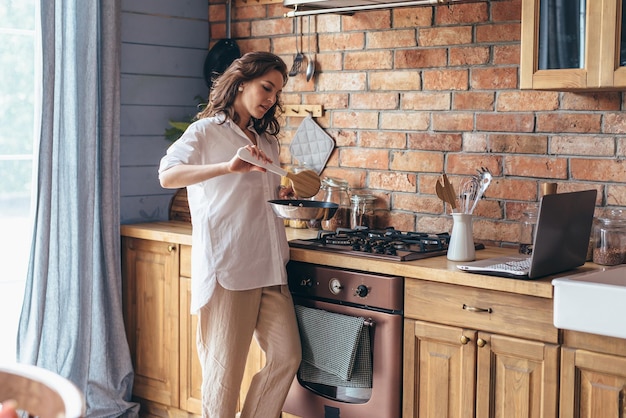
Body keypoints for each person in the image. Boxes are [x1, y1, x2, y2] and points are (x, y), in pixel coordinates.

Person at [158, 51, 302, 418]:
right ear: (241, 82)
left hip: (269, 263)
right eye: (266, 88)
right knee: (224, 380)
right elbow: (167, 175)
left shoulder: (266, 141)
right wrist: (227, 166)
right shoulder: (206, 132)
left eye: (276, 93)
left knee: (287, 357)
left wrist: (281, 194)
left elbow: (260, 196)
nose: (270, 99)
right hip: (229, 266)